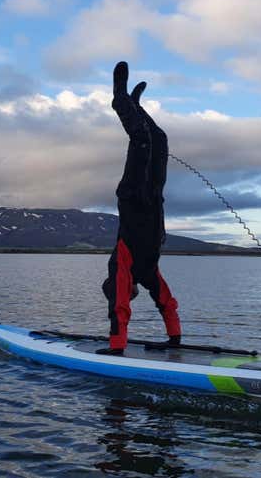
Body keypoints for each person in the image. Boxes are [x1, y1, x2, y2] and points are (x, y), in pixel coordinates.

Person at [97, 61, 182, 356]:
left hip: (134, 196)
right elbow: (166, 301)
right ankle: (134, 104)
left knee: (142, 140)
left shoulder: (122, 265)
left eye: (127, 292)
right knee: (159, 139)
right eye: (132, 293)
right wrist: (174, 340)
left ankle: (121, 99)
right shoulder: (147, 273)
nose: (130, 294)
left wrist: (117, 346)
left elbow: (118, 307)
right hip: (154, 199)